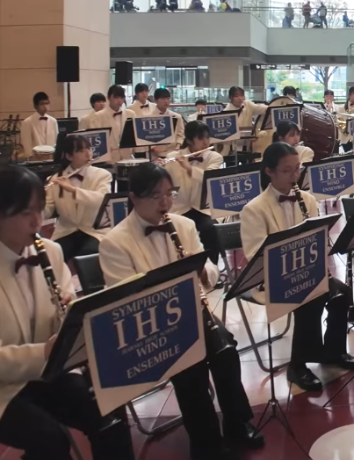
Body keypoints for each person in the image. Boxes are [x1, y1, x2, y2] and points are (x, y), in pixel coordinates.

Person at [0, 166, 134, 460]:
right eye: (24, 213)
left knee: (108, 406)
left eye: (39, 210)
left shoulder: (51, 252)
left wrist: (71, 316)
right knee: (50, 439)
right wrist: (44, 352)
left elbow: (62, 316)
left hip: (49, 374)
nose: (37, 221)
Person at [100, 164, 262, 458]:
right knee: (190, 367)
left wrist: (199, 268)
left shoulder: (184, 225)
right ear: (134, 198)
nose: (165, 203)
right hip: (152, 326)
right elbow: (125, 299)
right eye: (155, 196)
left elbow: (211, 272)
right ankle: (206, 443)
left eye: (169, 194)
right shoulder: (114, 242)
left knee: (225, 349)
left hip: (191, 310)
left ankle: (237, 423)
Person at [242, 142, 354, 391]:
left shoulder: (307, 199)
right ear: (269, 171)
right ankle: (297, 365)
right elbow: (255, 257)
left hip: (306, 272)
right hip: (273, 280)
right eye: (287, 171)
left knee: (341, 293)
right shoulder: (254, 209)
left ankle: (333, 351)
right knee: (311, 299)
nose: (295, 176)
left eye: (298, 169)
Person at [164, 120, 225, 267]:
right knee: (172, 231)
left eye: (207, 138)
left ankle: (213, 270)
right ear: (190, 140)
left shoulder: (214, 157)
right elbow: (164, 184)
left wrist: (189, 168)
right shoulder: (173, 156)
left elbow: (210, 178)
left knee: (210, 230)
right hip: (180, 208)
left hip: (202, 208)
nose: (205, 142)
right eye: (200, 138)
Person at [44, 135, 110, 261]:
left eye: (89, 149)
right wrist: (37, 204)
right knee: (50, 256)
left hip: (93, 230)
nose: (88, 154)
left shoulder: (102, 175)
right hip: (67, 230)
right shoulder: (55, 179)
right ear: (69, 156)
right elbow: (48, 210)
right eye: (80, 151)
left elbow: (101, 200)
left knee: (87, 255)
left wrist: (73, 190)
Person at [81, 85, 136, 162]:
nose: (119, 101)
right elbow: (96, 140)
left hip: (127, 157)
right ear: (109, 98)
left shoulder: (131, 114)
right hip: (108, 158)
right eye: (116, 98)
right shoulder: (98, 116)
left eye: (122, 98)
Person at [20, 92, 58, 158]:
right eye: (42, 104)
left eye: (47, 103)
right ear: (35, 106)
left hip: (51, 158)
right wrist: (31, 157)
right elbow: (26, 144)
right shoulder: (27, 122)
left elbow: (56, 140)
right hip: (35, 158)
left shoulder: (53, 121)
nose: (45, 106)